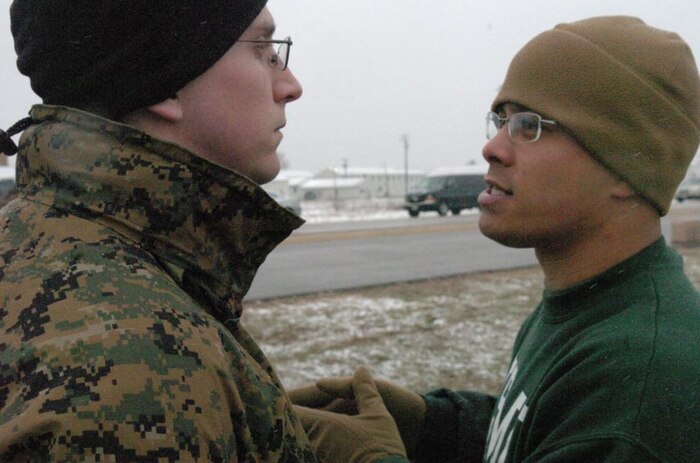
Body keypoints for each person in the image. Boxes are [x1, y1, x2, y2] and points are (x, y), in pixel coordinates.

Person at [291, 15, 700, 462]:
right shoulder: (589, 305)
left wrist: (371, 459)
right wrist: (435, 426)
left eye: (530, 125)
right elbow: (539, 432)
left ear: (626, 168)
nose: (493, 148)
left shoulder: (639, 380)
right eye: (501, 120)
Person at [0, 1, 316, 461]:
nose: (290, 85)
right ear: (163, 81)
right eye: (264, 50)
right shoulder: (133, 372)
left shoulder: (38, 236)